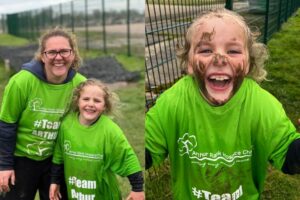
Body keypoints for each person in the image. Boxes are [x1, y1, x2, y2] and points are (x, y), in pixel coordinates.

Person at [145, 8, 300, 199]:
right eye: (206, 50)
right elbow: (147, 148)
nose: (219, 59)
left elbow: (287, 154)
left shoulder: (261, 104)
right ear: (190, 64)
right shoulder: (173, 101)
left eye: (233, 51)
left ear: (249, 63)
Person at [0, 27, 86, 200]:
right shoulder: (22, 82)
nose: (58, 57)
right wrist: (4, 166)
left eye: (64, 51)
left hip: (57, 161)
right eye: (52, 52)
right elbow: (6, 125)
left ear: (73, 54)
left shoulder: (81, 85)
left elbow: (85, 126)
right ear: (43, 55)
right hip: (22, 159)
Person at [49, 79, 144, 200]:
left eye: (97, 101)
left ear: (105, 106)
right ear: (77, 101)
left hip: (104, 195)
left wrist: (137, 189)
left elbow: (127, 158)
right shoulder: (67, 125)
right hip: (76, 193)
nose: (91, 104)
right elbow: (59, 156)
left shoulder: (110, 131)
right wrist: (54, 181)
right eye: (86, 99)